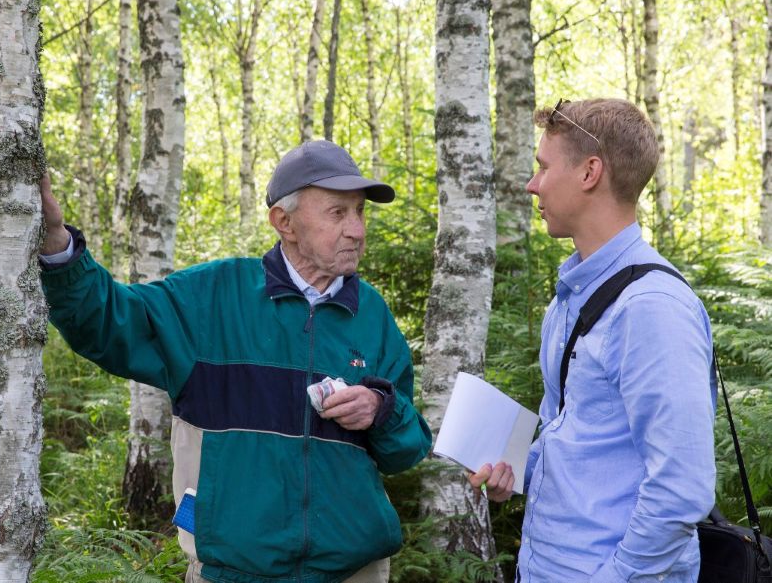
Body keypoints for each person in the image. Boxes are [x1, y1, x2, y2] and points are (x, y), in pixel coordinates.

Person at [39, 139, 432, 583]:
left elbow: (407, 449)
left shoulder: (373, 317)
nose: (357, 229)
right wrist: (58, 248)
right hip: (232, 572)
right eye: (337, 213)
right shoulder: (211, 298)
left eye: (359, 211)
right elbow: (108, 323)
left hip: (354, 572)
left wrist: (381, 411)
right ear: (284, 222)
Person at [470, 98, 716, 582]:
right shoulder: (569, 298)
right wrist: (518, 471)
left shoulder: (651, 308)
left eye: (543, 167)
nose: (532, 184)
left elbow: (681, 489)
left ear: (589, 173)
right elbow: (570, 433)